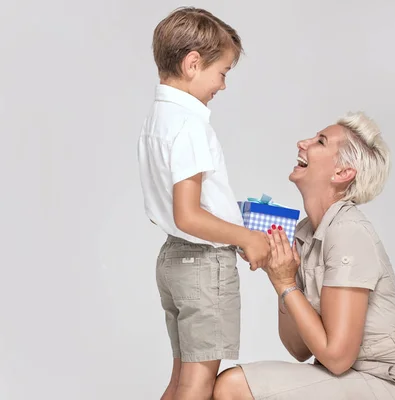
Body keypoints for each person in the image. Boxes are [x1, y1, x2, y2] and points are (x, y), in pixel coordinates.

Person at [212, 112, 395, 400]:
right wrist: (279, 276)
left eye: (320, 141)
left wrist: (287, 284)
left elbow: (336, 358)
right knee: (231, 385)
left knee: (233, 387)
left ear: (342, 173)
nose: (302, 143)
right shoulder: (306, 232)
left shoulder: (348, 232)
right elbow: (298, 349)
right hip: (354, 378)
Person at [137, 7, 270, 400]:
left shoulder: (158, 118)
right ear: (193, 63)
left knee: (180, 380)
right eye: (222, 73)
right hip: (202, 265)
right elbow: (189, 214)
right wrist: (247, 237)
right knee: (198, 384)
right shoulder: (190, 125)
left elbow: (184, 209)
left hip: (174, 260)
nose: (223, 85)